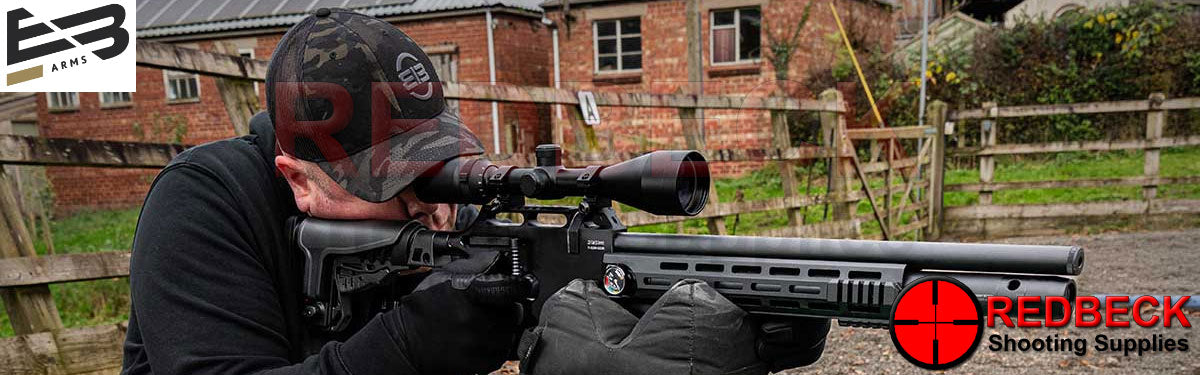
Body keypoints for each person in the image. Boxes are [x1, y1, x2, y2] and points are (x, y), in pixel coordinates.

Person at [122, 8, 828, 375]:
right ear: (299, 181)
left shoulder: (452, 218)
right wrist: (408, 344)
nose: (434, 203)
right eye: (399, 188)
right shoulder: (204, 204)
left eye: (437, 167)